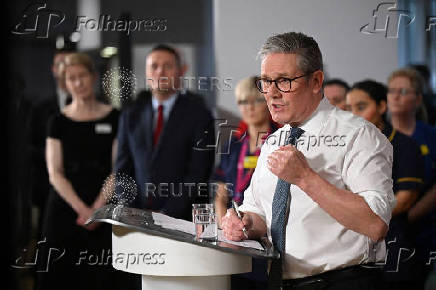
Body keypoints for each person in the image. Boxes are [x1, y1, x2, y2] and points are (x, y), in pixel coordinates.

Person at [221, 32, 395, 290]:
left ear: (316, 81)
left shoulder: (358, 135)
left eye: (284, 81)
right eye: (266, 82)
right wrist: (244, 223)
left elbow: (375, 224)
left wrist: (305, 178)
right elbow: (259, 213)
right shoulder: (273, 142)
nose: (272, 94)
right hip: (279, 282)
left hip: (343, 282)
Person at [37, 53, 119, 290]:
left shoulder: (115, 117)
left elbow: (118, 169)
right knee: (60, 275)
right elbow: (55, 173)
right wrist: (82, 209)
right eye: (71, 78)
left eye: (82, 75)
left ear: (93, 77)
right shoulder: (57, 121)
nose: (78, 83)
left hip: (103, 205)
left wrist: (96, 209)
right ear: (65, 83)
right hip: (66, 205)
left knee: (101, 276)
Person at [115, 44, 215, 220]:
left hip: (182, 220)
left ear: (180, 71)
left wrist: (165, 215)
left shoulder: (200, 115)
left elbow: (198, 172)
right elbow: (122, 171)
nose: (160, 72)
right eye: (154, 66)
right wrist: (134, 211)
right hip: (137, 219)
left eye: (168, 66)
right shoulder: (130, 115)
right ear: (146, 73)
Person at [346, 79, 425, 290]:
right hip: (356, 252)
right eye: (348, 108)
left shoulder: (403, 145)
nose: (353, 114)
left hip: (395, 246)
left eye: (361, 107)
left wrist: (359, 217)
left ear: (381, 106)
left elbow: (405, 199)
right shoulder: (349, 146)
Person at [214, 76, 278, 290]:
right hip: (233, 230)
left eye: (255, 101)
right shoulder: (234, 143)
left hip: (266, 231)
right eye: (243, 102)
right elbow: (221, 189)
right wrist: (224, 222)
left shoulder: (279, 139)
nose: (249, 108)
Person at [387, 68, 436, 289]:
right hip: (388, 231)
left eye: (404, 91)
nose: (396, 96)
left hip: (425, 227)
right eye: (391, 91)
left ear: (417, 99)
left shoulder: (430, 136)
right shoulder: (379, 135)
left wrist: (412, 213)